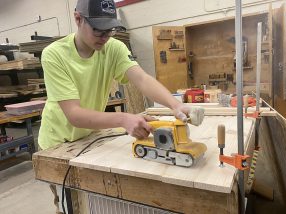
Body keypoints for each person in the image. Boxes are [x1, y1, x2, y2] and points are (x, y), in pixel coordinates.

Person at [38, 0, 191, 212]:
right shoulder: (54, 54)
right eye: (99, 31)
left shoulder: (113, 48)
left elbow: (142, 80)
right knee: (70, 203)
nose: (105, 37)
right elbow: (74, 114)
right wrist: (123, 119)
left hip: (90, 135)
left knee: (95, 201)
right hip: (59, 142)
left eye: (109, 30)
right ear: (78, 19)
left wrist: (175, 105)